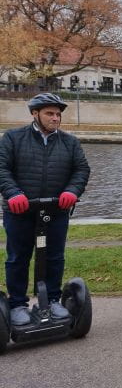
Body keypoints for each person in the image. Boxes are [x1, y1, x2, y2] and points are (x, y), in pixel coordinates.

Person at [0, 93, 90, 325]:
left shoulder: (70, 142)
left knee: (55, 256)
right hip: (20, 210)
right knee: (18, 257)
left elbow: (81, 170)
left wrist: (72, 191)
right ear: (35, 114)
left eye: (58, 114)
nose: (55, 118)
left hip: (55, 210)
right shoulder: (12, 138)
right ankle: (18, 304)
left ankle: (52, 300)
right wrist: (13, 193)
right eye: (50, 113)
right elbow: (2, 169)